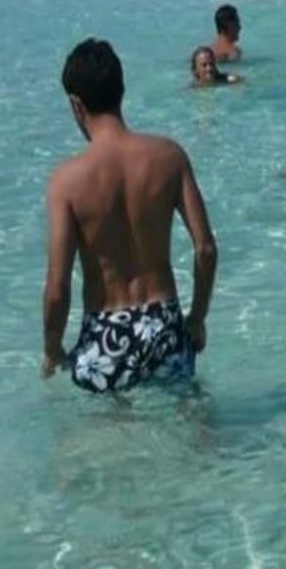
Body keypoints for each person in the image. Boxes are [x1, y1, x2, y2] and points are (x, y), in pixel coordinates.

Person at [44, 40, 216, 392]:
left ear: (76, 105)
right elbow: (206, 249)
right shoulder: (169, 157)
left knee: (107, 441)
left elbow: (57, 290)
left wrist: (51, 349)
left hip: (105, 334)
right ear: (121, 91)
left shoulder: (67, 181)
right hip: (164, 326)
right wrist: (197, 319)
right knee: (190, 431)